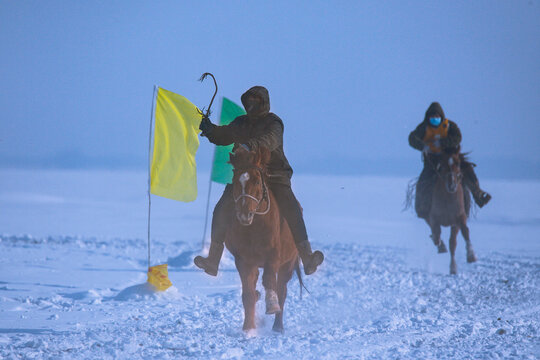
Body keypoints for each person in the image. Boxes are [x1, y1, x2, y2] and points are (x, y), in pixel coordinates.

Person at [194, 86, 324, 276]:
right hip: (245, 175)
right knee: (220, 209)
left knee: (291, 207)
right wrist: (210, 130)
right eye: (249, 100)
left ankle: (307, 257)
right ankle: (213, 260)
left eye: (256, 100)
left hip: (274, 175)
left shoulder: (274, 123)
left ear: (264, 102)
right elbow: (224, 135)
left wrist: (249, 145)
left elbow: (270, 140)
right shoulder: (240, 122)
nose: (252, 104)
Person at [408, 102, 491, 219]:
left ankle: (478, 194)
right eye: (432, 118)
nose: (434, 119)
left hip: (451, 157)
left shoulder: (449, 126)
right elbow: (412, 138)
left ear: (441, 116)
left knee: (467, 170)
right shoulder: (423, 127)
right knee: (423, 181)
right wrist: (423, 146)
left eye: (437, 117)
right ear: (428, 118)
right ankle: (421, 206)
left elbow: (457, 137)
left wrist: (442, 143)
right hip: (433, 160)